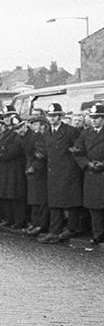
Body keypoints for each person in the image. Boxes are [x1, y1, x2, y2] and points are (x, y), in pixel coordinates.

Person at [37, 103, 84, 243]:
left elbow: (79, 149)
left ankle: (71, 228)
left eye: (54, 115)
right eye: (50, 116)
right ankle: (55, 230)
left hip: (69, 171)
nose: (52, 118)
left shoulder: (70, 131)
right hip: (53, 172)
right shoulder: (47, 133)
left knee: (71, 200)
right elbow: (45, 150)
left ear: (60, 116)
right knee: (54, 202)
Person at [72, 104, 104, 243]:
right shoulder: (86, 133)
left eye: (97, 118)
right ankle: (98, 233)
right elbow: (77, 151)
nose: (94, 120)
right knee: (94, 206)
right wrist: (86, 163)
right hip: (91, 173)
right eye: (92, 117)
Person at [0, 115, 27, 229]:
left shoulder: (15, 136)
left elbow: (14, 150)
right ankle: (9, 218)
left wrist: (0, 154)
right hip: (4, 170)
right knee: (6, 196)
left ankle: (18, 220)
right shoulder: (1, 136)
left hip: (14, 170)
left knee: (15, 196)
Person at [23, 115, 50, 236]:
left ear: (42, 125)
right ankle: (35, 223)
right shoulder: (35, 136)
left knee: (41, 199)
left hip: (39, 172)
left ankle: (41, 224)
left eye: (35, 124)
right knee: (34, 199)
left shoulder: (43, 136)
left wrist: (34, 166)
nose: (33, 126)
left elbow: (41, 154)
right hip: (32, 170)